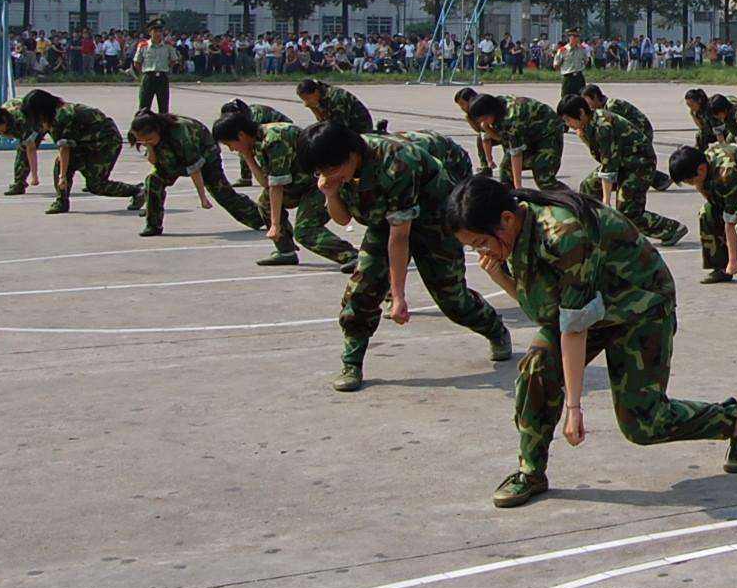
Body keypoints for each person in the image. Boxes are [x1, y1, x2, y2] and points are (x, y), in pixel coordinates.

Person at [447, 176, 737, 508]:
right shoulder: (518, 235)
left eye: (480, 243)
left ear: (505, 220)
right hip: (590, 309)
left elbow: (573, 328)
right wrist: (499, 275)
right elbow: (545, 313)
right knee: (538, 368)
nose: (481, 251)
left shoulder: (563, 235)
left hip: (639, 306)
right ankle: (531, 471)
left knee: (644, 424)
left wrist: (574, 408)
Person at [297, 121, 513, 393]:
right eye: (321, 171)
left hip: (434, 220)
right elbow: (342, 219)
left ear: (351, 154)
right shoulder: (337, 170)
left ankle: (494, 329)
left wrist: (397, 296)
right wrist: (330, 193)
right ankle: (352, 362)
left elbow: (400, 238)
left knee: (453, 300)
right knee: (361, 292)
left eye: (332, 169)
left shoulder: (395, 162)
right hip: (386, 220)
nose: (328, 175)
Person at [213, 107, 359, 270]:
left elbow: (276, 185)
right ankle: (286, 251)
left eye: (229, 144)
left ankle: (352, 256)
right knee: (265, 202)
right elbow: (266, 183)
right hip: (301, 182)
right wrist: (247, 156)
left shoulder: (274, 138)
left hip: (322, 182)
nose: (231, 149)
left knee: (305, 230)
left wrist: (275, 225)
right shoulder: (255, 143)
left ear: (240, 135)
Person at [560, 95, 687, 246]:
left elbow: (609, 166)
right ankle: (593, 229)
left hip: (640, 163)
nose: (567, 124)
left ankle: (670, 229)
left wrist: (606, 201)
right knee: (588, 186)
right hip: (622, 163)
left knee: (628, 211)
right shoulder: (586, 126)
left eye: (568, 119)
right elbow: (602, 159)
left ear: (581, 113)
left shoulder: (603, 125)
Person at [129, 110, 267, 239]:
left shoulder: (182, 132)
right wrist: (150, 145)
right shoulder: (150, 137)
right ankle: (153, 225)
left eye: (149, 139)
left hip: (206, 157)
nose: (145, 142)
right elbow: (154, 162)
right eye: (142, 141)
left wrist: (203, 198)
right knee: (153, 180)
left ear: (157, 130)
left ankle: (262, 218)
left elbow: (195, 168)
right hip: (174, 158)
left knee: (222, 193)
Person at [20, 90, 142, 213]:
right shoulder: (54, 115)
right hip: (86, 143)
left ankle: (138, 191)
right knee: (61, 163)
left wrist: (62, 177)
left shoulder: (62, 116)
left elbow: (64, 148)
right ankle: (61, 201)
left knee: (96, 185)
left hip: (106, 142)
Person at [668, 141, 737, 282]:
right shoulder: (703, 163)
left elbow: (730, 221)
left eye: (690, 181)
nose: (691, 184)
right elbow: (710, 197)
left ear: (701, 170)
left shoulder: (726, 174)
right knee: (707, 212)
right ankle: (720, 267)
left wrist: (733, 261)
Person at [466, 92, 569, 190]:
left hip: (548, 132)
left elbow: (516, 154)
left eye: (483, 119)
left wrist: (518, 186)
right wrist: (487, 129)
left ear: (490, 113)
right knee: (506, 170)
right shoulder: (497, 106)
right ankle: (509, 202)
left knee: (544, 178)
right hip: (529, 134)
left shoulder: (512, 118)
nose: (482, 123)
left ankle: (572, 200)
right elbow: (503, 139)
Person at [0, 97, 42, 196]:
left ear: (3, 120)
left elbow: (31, 149)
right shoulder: (2, 114)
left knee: (25, 149)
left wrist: (35, 177)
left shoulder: (22, 119)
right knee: (22, 149)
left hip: (45, 119)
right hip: (29, 122)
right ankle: (19, 183)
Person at [296, 77, 375, 135]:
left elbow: (339, 127)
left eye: (307, 98)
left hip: (360, 129)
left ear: (316, 92)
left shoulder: (335, 98)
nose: (306, 102)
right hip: (344, 127)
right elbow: (323, 121)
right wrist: (313, 107)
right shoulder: (319, 98)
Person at [132, 22, 174, 115]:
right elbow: (137, 62)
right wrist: (143, 74)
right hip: (148, 77)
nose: (158, 34)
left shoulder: (168, 45)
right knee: (144, 107)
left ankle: (163, 128)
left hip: (162, 77)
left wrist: (166, 68)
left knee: (163, 107)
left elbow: (173, 60)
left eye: (160, 31)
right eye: (155, 31)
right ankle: (143, 127)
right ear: (150, 32)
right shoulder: (143, 45)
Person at [554, 29, 592, 98]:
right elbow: (556, 65)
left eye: (577, 36)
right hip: (568, 78)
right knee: (566, 99)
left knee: (581, 99)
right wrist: (564, 70)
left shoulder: (582, 49)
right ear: (569, 37)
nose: (576, 38)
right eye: (574, 36)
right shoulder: (563, 50)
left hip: (579, 77)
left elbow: (586, 61)